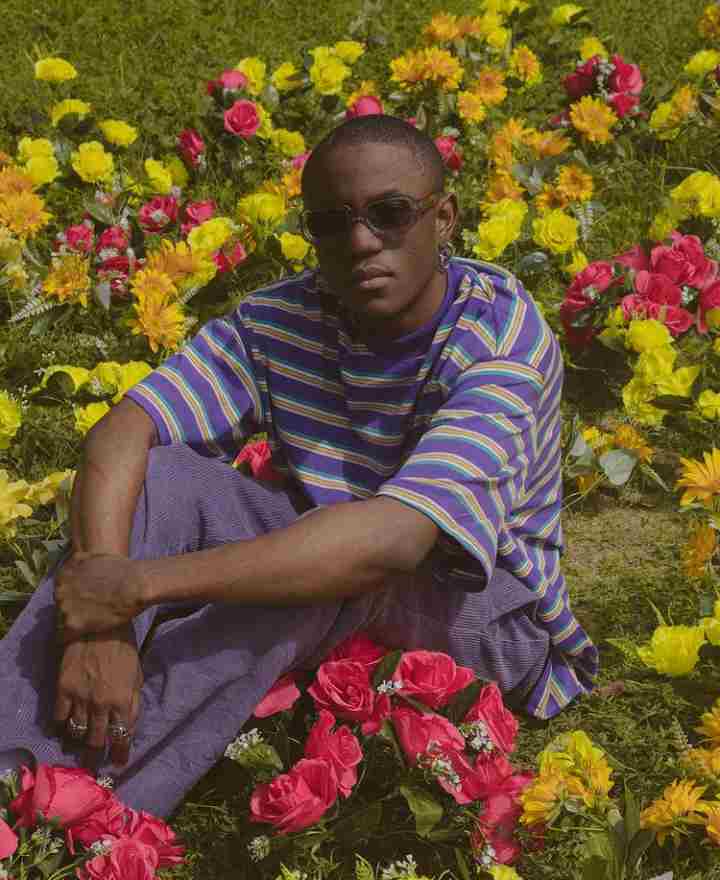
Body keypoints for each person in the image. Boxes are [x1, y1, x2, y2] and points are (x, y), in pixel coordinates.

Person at [0, 115, 597, 818]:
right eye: (332, 223)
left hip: (485, 610)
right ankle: (12, 754)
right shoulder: (283, 320)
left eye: (389, 213)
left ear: (443, 218)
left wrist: (138, 586)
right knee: (165, 479)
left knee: (316, 578)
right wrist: (99, 615)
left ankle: (75, 812)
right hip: (334, 541)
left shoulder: (503, 342)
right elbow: (125, 428)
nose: (361, 241)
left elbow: (395, 541)